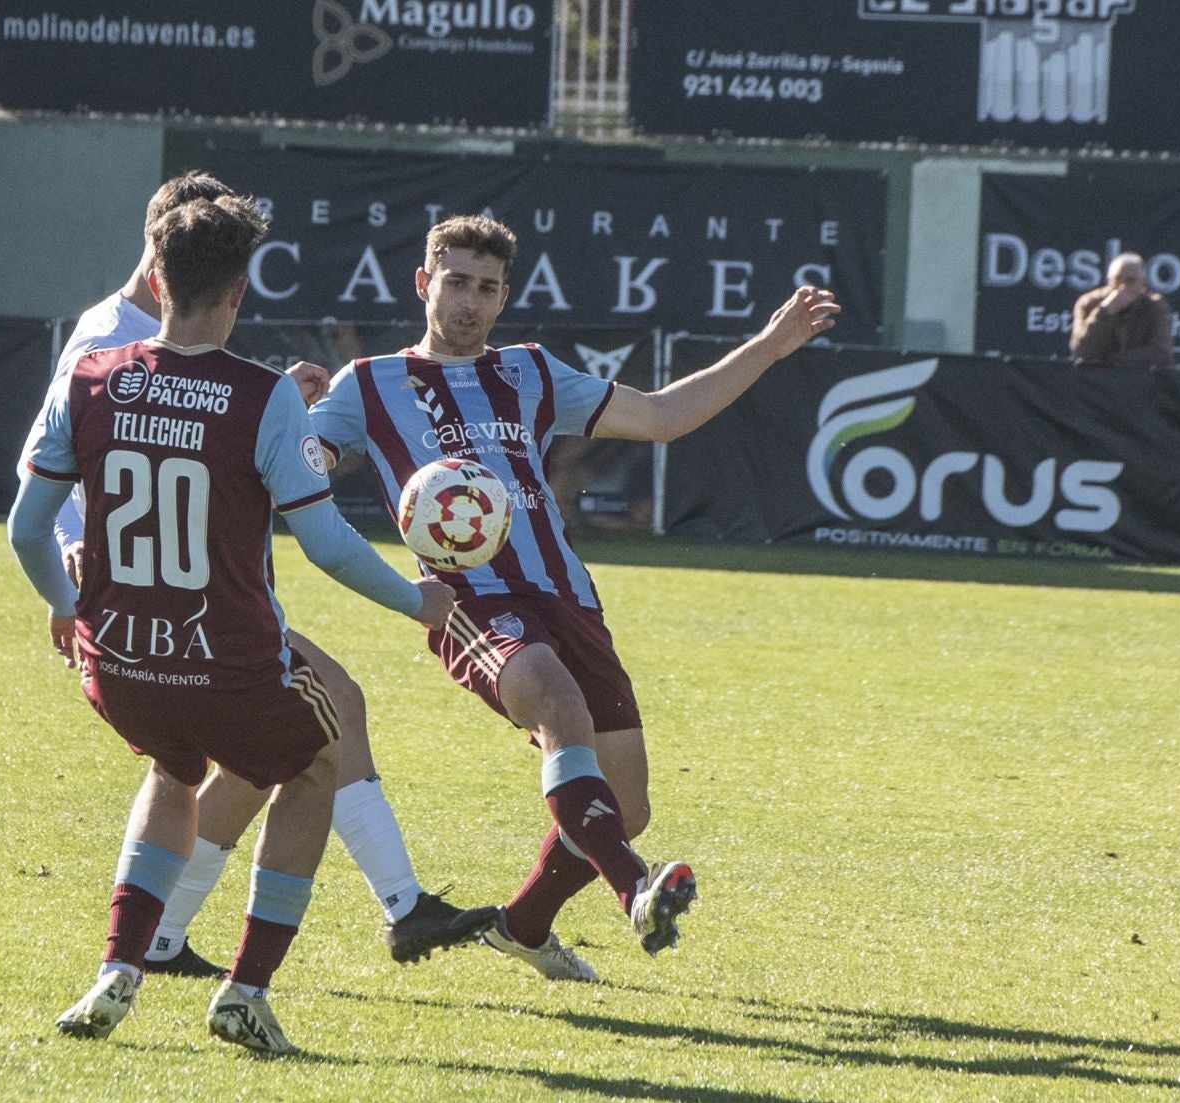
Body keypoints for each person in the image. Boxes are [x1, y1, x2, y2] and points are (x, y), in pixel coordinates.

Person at [310, 215, 841, 981]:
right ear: (425, 285)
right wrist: (296, 438)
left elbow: (661, 417)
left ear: (502, 298)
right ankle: (636, 892)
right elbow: (307, 459)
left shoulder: (528, 371)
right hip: (469, 602)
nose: (468, 301)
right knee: (558, 706)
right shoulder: (368, 383)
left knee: (625, 806)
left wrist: (768, 346)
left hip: (566, 596)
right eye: (455, 282)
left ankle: (522, 927)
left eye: (486, 288)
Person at [8, 196, 456, 1054]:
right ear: (239, 292)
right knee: (319, 761)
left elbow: (28, 530)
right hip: (227, 661)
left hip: (123, 662)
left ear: (157, 276)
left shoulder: (90, 377)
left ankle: (119, 966)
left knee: (173, 769)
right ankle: (245, 990)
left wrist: (66, 611)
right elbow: (323, 544)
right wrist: (415, 599)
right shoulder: (261, 398)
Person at [1070, 253, 1174, 369]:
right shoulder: (1088, 303)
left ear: (1143, 283)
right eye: (1117, 279)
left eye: (1130, 281)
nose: (1122, 287)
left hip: (1139, 377)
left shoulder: (1155, 306)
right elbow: (1081, 350)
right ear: (1108, 281)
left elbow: (1160, 352)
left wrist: (1113, 362)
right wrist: (1105, 311)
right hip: (1095, 378)